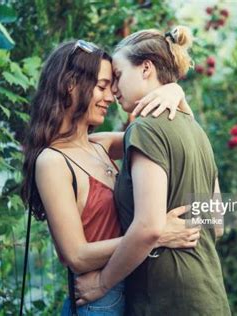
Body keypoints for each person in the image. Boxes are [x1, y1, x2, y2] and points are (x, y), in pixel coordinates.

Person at [21, 39, 201, 315]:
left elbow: (170, 140)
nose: (111, 95)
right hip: (96, 301)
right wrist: (156, 234)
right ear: (70, 84)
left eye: (112, 84)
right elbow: (75, 256)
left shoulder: (100, 144)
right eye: (103, 86)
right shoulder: (52, 162)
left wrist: (175, 91)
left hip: (127, 288)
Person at [75, 26, 231, 315]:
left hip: (169, 301)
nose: (113, 89)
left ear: (146, 68)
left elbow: (148, 227)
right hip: (208, 295)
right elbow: (218, 224)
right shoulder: (196, 131)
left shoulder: (145, 129)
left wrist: (101, 283)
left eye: (119, 77)